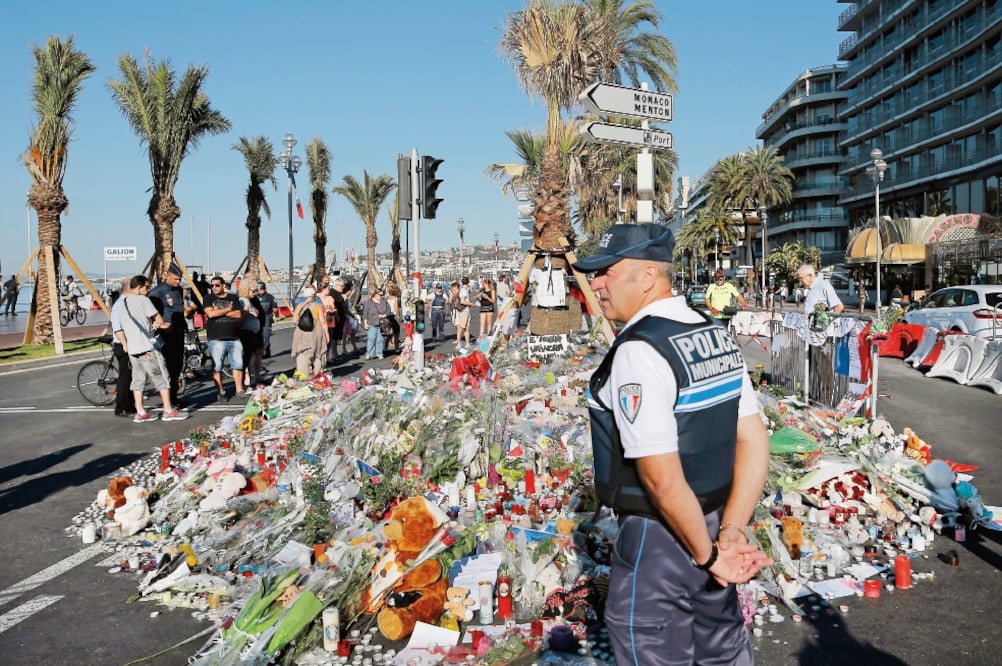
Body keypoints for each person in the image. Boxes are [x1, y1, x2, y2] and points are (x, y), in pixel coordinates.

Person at [572, 223, 771, 665]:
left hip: (660, 537)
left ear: (646, 277)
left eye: (607, 271)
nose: (596, 284)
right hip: (714, 520)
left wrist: (709, 554)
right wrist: (730, 532)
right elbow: (755, 442)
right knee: (721, 649)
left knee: (651, 645)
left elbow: (661, 480)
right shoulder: (713, 333)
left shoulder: (639, 350)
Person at [112, 275, 188, 423]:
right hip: (147, 347)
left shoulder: (122, 303)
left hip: (133, 349)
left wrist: (126, 344)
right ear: (139, 287)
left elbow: (118, 329)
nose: (148, 290)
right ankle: (168, 410)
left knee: (138, 380)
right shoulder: (144, 301)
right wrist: (156, 325)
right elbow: (158, 319)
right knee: (162, 377)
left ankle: (140, 411)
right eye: (146, 287)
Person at [148, 262, 195, 408]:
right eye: (175, 278)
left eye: (179, 279)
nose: (178, 281)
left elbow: (180, 308)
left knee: (177, 367)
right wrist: (161, 326)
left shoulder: (179, 290)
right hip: (166, 334)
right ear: (167, 276)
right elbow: (151, 314)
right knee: (167, 368)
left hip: (179, 331)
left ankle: (174, 398)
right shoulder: (157, 292)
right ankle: (168, 401)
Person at [203, 277, 245, 401]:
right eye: (212, 286)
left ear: (223, 286)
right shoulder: (208, 298)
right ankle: (221, 392)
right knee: (217, 367)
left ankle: (239, 389)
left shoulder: (233, 298)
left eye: (216, 285)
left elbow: (238, 314)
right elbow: (210, 314)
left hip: (234, 338)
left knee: (238, 365)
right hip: (216, 338)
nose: (214, 288)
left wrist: (219, 312)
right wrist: (228, 310)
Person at [109, 277, 135, 417]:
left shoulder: (128, 303)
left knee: (130, 376)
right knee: (125, 377)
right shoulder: (120, 305)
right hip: (122, 344)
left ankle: (130, 405)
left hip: (129, 343)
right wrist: (125, 343)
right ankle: (122, 407)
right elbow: (117, 327)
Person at [292, 285, 328, 376]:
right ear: (314, 295)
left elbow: (294, 320)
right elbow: (323, 321)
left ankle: (303, 376)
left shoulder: (299, 306)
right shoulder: (319, 306)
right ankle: (318, 376)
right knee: (318, 356)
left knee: (302, 355)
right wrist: (327, 334)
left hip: (302, 335)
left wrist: (304, 304)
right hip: (316, 334)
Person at [237, 280, 264, 392]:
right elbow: (241, 318)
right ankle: (245, 383)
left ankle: (250, 380)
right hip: (247, 333)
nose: (255, 293)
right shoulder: (244, 301)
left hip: (253, 332)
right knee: (246, 358)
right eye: (253, 291)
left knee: (252, 355)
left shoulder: (251, 301)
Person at [361, 287, 390, 360]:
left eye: (382, 295)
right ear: (375, 294)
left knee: (380, 339)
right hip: (372, 322)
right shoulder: (369, 302)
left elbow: (389, 310)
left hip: (382, 323)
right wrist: (365, 323)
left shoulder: (384, 301)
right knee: (371, 338)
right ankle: (369, 353)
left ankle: (379, 353)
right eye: (380, 295)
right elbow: (365, 313)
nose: (381, 296)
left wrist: (385, 315)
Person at [257, 282, 276, 357]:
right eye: (259, 289)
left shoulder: (270, 297)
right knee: (258, 335)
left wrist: (271, 313)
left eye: (262, 289)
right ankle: (265, 350)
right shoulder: (255, 297)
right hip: (257, 317)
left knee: (266, 334)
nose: (260, 291)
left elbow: (275, 308)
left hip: (267, 316)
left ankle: (262, 350)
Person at [454, 277, 473, 348]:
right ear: (468, 282)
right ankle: (459, 343)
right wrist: (471, 304)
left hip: (467, 310)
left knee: (467, 327)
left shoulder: (465, 289)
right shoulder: (463, 290)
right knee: (461, 328)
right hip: (464, 311)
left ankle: (467, 343)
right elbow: (462, 301)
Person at [384, 282, 402, 352]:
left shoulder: (386, 298)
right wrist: (398, 316)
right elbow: (396, 309)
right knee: (396, 333)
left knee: (389, 333)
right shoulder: (395, 298)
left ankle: (385, 347)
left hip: (387, 316)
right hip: (393, 316)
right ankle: (396, 347)